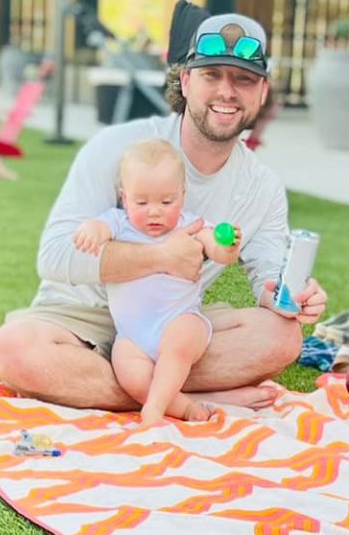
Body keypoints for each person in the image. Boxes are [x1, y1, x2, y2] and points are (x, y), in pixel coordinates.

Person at [0, 8, 326, 412]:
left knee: (282, 337)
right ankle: (181, 398)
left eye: (243, 80)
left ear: (262, 92)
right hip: (81, 318)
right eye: (211, 75)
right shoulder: (118, 147)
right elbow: (54, 257)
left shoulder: (262, 187)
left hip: (170, 323)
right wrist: (160, 257)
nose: (227, 92)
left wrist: (288, 295)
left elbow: (268, 276)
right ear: (185, 80)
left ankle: (139, 391)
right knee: (13, 350)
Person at [73, 139, 245, 425]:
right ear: (124, 197)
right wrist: (90, 230)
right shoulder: (118, 223)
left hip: (180, 320)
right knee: (129, 371)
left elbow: (216, 248)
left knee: (179, 341)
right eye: (141, 202)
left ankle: (153, 408)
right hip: (133, 335)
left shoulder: (189, 225)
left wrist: (227, 248)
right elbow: (99, 228)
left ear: (182, 195)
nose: (155, 211)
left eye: (167, 202)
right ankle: (183, 407)